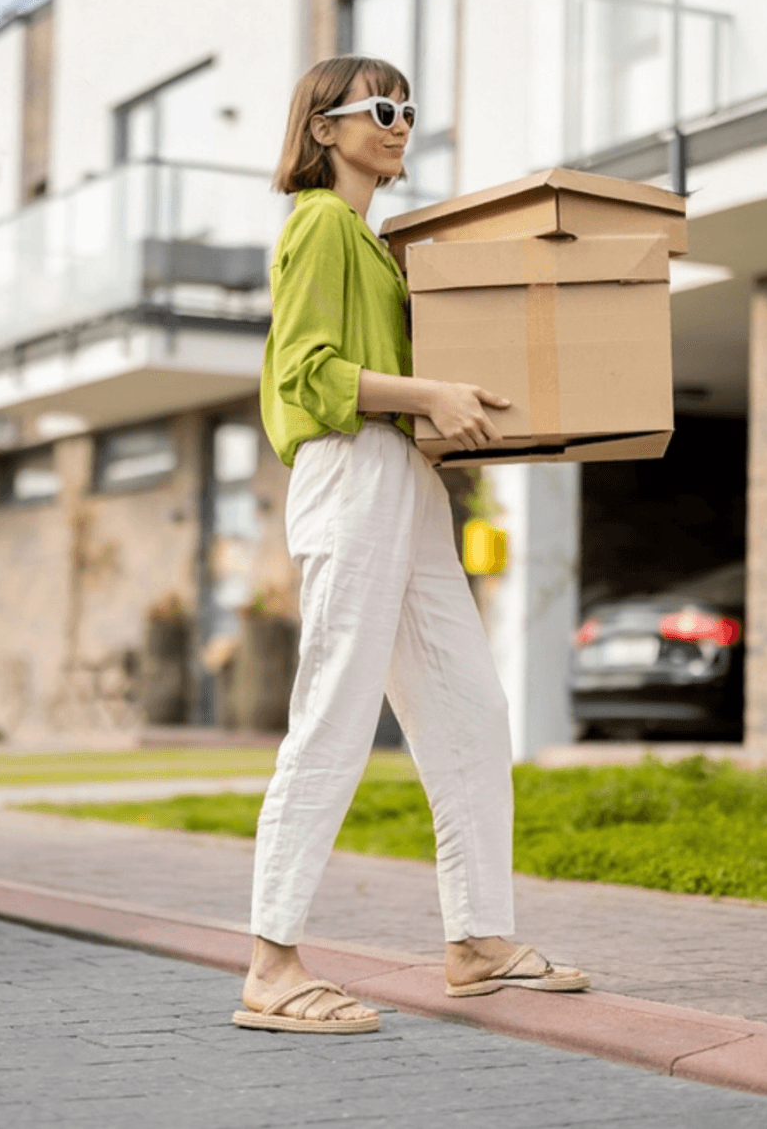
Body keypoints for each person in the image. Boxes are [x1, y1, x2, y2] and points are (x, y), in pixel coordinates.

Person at [233, 55, 590, 1035]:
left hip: (407, 478)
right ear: (323, 127)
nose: (399, 123)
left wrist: (455, 406)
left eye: (408, 110)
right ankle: (271, 964)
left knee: (472, 707)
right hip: (350, 470)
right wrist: (429, 394)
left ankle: (477, 941)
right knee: (335, 711)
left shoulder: (376, 243)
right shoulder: (317, 226)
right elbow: (307, 373)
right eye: (380, 108)